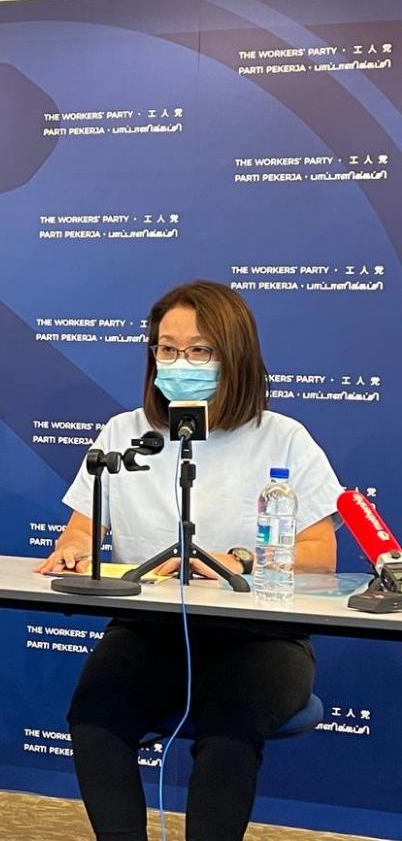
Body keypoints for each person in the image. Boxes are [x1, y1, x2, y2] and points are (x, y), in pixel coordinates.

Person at [36, 280, 342, 841]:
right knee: (94, 717)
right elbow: (82, 526)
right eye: (166, 348)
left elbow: (322, 554)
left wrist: (244, 559)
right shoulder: (125, 433)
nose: (180, 362)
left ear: (235, 356)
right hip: (149, 630)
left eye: (200, 350)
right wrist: (75, 547)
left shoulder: (283, 438)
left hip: (261, 637)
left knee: (229, 730)